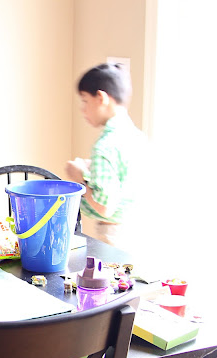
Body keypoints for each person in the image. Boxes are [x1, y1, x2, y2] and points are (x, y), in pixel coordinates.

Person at [65, 63, 145, 249]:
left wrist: (80, 178)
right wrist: (92, 167)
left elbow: (104, 207)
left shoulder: (105, 146)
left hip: (113, 234)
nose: (82, 109)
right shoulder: (134, 136)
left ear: (101, 98)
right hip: (135, 226)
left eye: (85, 100)